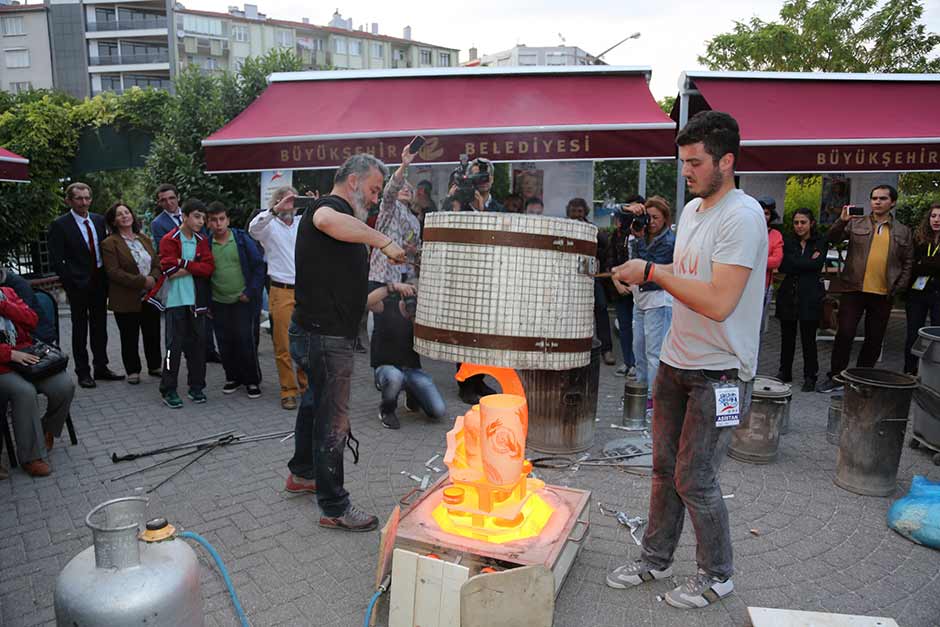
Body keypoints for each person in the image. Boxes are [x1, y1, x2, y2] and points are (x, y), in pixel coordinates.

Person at [609, 110, 767, 609]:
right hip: (677, 363)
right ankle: (654, 560)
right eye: (683, 162)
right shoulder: (696, 211)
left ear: (727, 160)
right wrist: (642, 273)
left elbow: (719, 300)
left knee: (695, 478)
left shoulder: (743, 216)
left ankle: (718, 576)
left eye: (695, 162)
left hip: (720, 372)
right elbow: (689, 271)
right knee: (662, 469)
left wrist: (652, 273)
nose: (686, 172)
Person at [287, 153, 405, 532]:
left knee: (313, 404)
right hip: (324, 338)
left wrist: (387, 289)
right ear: (353, 182)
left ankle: (302, 473)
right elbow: (324, 220)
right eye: (372, 189)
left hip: (319, 333)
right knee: (332, 422)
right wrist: (382, 240)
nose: (374, 198)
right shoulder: (330, 207)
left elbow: (343, 287)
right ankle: (335, 506)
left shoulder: (348, 221)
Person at [817, 185, 913, 392]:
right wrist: (842, 220)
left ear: (893, 202)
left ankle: (862, 380)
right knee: (845, 334)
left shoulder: (903, 231)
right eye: (874, 198)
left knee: (874, 339)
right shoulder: (856, 222)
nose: (877, 202)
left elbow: (908, 262)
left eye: (883, 198)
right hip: (854, 288)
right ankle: (835, 377)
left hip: (883, 293)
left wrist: (899, 286)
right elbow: (831, 239)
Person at [47, 182, 124, 388]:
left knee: (100, 327)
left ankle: (101, 367)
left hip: (100, 281)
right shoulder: (60, 225)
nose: (84, 202)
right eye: (79, 198)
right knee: (79, 329)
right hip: (78, 284)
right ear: (69, 201)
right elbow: (56, 259)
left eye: (87, 198)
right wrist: (70, 282)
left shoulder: (99, 220)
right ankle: (83, 372)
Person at [146, 198, 214, 409]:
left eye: (203, 217)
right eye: (196, 216)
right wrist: (194, 266)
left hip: (196, 302)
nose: (201, 221)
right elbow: (168, 270)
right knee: (172, 349)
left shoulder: (201, 239)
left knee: (198, 346)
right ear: (184, 217)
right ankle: (168, 389)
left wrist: (183, 263)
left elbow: (209, 268)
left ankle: (197, 387)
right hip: (175, 302)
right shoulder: (169, 238)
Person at [0, 285, 75, 476]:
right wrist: (10, 354)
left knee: (64, 386)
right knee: (25, 392)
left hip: (27, 358)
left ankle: (45, 430)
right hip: (3, 366)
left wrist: (4, 306)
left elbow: (32, 320)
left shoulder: (7, 292)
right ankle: (31, 456)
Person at [249, 186, 307, 410]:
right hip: (280, 290)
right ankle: (288, 390)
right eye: (285, 200)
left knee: (306, 341)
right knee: (283, 344)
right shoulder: (268, 225)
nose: (289, 205)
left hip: (304, 290)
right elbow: (254, 229)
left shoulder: (303, 222)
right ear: (277, 202)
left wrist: (316, 205)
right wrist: (274, 210)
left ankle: (306, 386)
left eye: (293, 200)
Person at [368, 281, 446, 429]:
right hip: (387, 368)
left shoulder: (419, 317)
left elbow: (433, 342)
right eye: (408, 294)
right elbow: (366, 302)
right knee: (394, 376)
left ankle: (413, 395)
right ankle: (387, 411)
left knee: (438, 411)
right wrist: (392, 287)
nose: (411, 299)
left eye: (414, 295)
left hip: (412, 370)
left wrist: (416, 318)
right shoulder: (386, 306)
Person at [206, 201, 265, 398]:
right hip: (218, 301)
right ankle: (232, 377)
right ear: (208, 223)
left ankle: (252, 380)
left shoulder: (241, 239)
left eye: (221, 219)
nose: (218, 224)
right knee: (224, 341)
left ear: (228, 220)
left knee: (245, 340)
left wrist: (250, 292)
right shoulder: (205, 244)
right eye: (213, 220)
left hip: (243, 300)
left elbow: (258, 266)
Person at [100, 202, 162, 384]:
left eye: (127, 212)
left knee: (153, 332)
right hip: (126, 297)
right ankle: (133, 370)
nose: (125, 216)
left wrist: (154, 278)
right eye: (119, 214)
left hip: (150, 296)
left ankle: (155, 365)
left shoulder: (144, 238)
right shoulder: (109, 243)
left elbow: (157, 262)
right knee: (129, 336)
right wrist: (143, 281)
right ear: (113, 221)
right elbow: (113, 272)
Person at [625, 196, 676, 396]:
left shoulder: (668, 241)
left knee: (654, 354)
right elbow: (635, 261)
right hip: (640, 300)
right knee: (639, 350)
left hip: (659, 300)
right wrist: (632, 211)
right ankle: (640, 394)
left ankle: (654, 400)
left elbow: (647, 270)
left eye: (656, 218)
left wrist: (638, 240)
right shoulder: (643, 234)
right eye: (649, 217)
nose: (651, 222)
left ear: (665, 219)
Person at [774, 208, 827, 391]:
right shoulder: (788, 242)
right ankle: (785, 371)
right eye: (796, 222)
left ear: (811, 223)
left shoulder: (820, 241)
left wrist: (798, 263)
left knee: (808, 339)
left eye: (803, 222)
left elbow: (817, 265)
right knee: (787, 338)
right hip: (789, 294)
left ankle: (810, 376)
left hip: (810, 296)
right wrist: (806, 263)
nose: (799, 226)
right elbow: (784, 266)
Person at [568, 197, 616, 365]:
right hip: (569, 280)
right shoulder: (563, 229)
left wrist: (606, 267)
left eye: (579, 211)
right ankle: (572, 350)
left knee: (601, 309)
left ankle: (606, 350)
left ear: (585, 212)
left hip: (591, 278)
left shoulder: (593, 230)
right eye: (573, 211)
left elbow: (607, 246)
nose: (576, 215)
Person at [370, 146, 422, 287]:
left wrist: (414, 250)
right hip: (383, 275)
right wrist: (404, 165)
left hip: (406, 275)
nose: (405, 189)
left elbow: (418, 246)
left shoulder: (415, 219)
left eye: (409, 189)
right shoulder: (389, 207)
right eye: (402, 187)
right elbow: (390, 191)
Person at [608, 196, 643, 377]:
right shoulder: (618, 234)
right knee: (624, 326)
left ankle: (637, 362)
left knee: (639, 328)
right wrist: (617, 283)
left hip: (640, 289)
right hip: (621, 289)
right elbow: (611, 260)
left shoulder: (645, 232)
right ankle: (627, 362)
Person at [904, 201, 940, 374]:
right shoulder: (919, 239)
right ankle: (909, 370)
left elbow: (923, 265)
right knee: (913, 333)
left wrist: (925, 264)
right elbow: (912, 265)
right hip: (918, 292)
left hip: (938, 293)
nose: (936, 220)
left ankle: (932, 373)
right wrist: (929, 264)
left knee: (936, 333)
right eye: (933, 216)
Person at [758, 196, 784, 333]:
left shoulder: (776, 235)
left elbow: (776, 261)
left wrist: (754, 261)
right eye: (760, 211)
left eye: (767, 213)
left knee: (759, 328)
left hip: (764, 287)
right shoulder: (747, 231)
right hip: (743, 285)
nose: (763, 215)